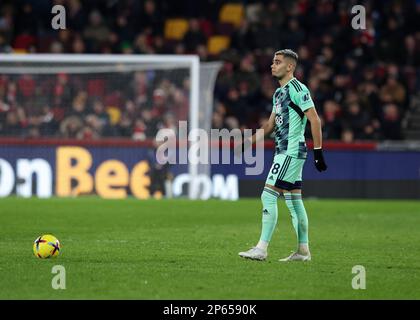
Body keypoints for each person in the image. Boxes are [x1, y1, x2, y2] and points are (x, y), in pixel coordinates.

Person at [237, 49, 327, 262]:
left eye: (277, 62)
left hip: (291, 150)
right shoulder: (279, 93)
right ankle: (303, 251)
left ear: (289, 67)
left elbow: (314, 119)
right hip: (284, 150)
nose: (272, 65)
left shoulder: (298, 88)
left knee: (268, 195)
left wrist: (318, 151)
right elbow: (269, 125)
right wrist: (249, 141)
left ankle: (261, 248)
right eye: (272, 62)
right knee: (294, 200)